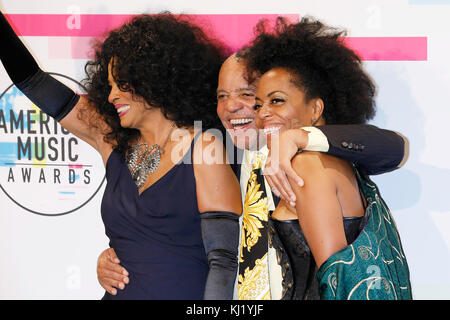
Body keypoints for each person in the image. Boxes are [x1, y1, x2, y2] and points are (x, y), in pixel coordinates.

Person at [97, 38, 408, 299]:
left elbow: (393, 148)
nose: (232, 106)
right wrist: (112, 258)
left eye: (249, 96)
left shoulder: (311, 157)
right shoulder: (220, 154)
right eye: (221, 96)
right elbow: (195, 243)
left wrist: (300, 136)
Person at [0, 12, 242, 299]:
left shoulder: (204, 148)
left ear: (153, 78)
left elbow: (224, 262)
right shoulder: (110, 139)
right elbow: (33, 81)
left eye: (122, 84)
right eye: (110, 85)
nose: (112, 95)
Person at [243, 16, 412, 300]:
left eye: (277, 100)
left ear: (316, 108)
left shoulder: (308, 164)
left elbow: (337, 284)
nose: (262, 114)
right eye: (259, 105)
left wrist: (298, 137)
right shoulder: (331, 162)